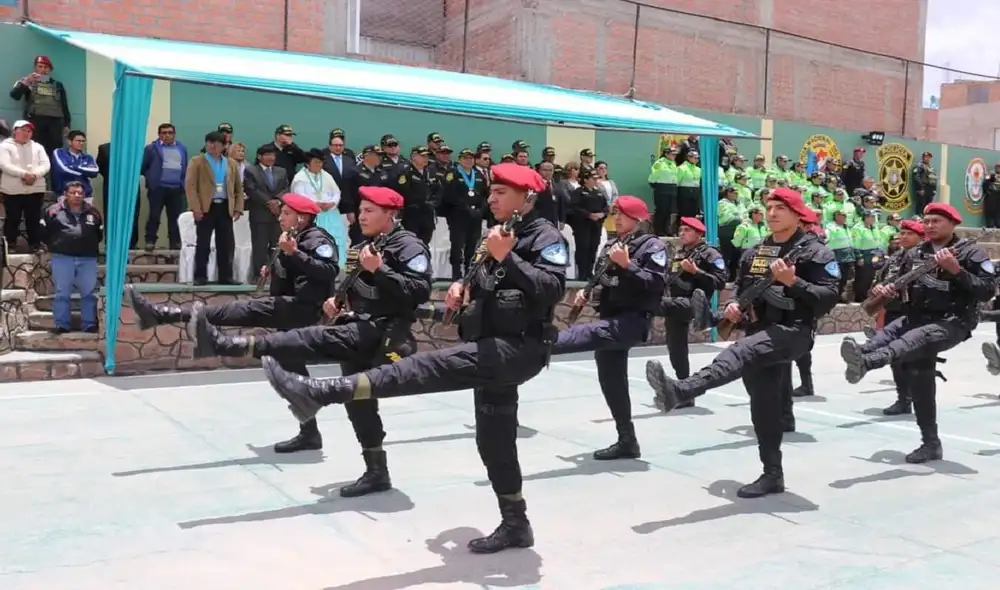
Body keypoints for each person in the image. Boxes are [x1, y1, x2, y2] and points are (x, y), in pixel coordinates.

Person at [261, 163, 565, 553]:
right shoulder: (496, 235)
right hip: (490, 344)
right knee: (494, 441)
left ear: (528, 198)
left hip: (519, 348)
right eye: (491, 192)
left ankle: (320, 392)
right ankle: (516, 523)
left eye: (501, 193)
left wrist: (508, 259)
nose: (491, 199)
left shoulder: (545, 237)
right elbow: (484, 283)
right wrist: (461, 290)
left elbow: (551, 288)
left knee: (427, 367)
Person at [192, 186, 431, 497]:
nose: (361, 215)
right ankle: (376, 472)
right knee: (359, 405)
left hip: (388, 336)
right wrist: (339, 301)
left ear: (391, 215)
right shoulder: (365, 246)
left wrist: (381, 270)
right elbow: (359, 288)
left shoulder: (408, 246)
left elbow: (419, 292)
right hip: (361, 326)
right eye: (360, 210)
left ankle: (231, 345)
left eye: (370, 211)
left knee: (310, 339)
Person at [644, 187, 840, 498]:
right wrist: (735, 305)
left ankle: (683, 389)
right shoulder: (755, 252)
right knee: (763, 406)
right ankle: (772, 474)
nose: (773, 213)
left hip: (794, 332)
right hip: (758, 328)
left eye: (780, 208)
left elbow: (829, 297)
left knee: (739, 352)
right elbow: (742, 288)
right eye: (769, 207)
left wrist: (794, 283)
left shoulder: (814, 252)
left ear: (798, 214)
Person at [126, 194, 339, 452]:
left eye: (286, 213)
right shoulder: (292, 238)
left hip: (301, 309)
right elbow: (293, 274)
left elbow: (328, 271)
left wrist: (294, 254)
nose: (280, 217)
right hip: (289, 309)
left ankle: (164, 314)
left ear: (302, 217)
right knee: (292, 373)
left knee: (237, 310)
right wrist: (274, 269)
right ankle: (310, 433)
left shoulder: (317, 239)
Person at [841, 203, 994, 463]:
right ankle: (930, 444)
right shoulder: (914, 255)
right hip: (915, 317)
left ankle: (868, 362)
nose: (931, 225)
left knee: (913, 339)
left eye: (937, 221)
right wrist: (886, 293)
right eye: (927, 221)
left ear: (953, 224)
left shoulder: (970, 253)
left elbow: (987, 290)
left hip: (953, 322)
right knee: (899, 354)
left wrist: (957, 270)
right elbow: (900, 292)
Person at [552, 196, 666, 459]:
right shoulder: (612, 245)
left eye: (623, 214)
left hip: (632, 319)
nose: (617, 218)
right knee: (611, 381)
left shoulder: (652, 246)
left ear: (637, 219)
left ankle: (546, 343)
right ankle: (627, 439)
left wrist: (628, 265)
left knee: (589, 334)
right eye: (615, 213)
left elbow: (656, 283)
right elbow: (602, 277)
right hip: (610, 317)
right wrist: (587, 292)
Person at [656, 216, 725, 410]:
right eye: (681, 230)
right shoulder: (680, 253)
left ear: (699, 234)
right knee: (675, 347)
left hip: (693, 303)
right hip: (675, 304)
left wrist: (696, 272)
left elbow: (720, 281)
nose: (682, 233)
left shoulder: (710, 253)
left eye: (687, 230)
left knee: (654, 305)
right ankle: (684, 391)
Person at [870, 219, 925, 415]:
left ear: (920, 237)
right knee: (896, 359)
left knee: (909, 357)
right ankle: (903, 399)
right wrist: (877, 288)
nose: (903, 237)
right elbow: (880, 279)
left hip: (911, 312)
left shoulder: (922, 256)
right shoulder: (895, 257)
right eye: (901, 233)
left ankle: (914, 399)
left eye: (909, 234)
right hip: (893, 310)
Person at [40, 181, 102, 333]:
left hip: (87, 258)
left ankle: (89, 324)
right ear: (66, 194)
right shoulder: (53, 211)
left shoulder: (93, 212)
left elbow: (99, 235)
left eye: (80, 193)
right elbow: (43, 232)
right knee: (62, 293)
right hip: (62, 257)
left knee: (89, 293)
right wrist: (55, 245)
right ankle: (62, 324)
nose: (77, 196)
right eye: (73, 192)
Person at [185, 131, 244, 285]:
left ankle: (225, 276)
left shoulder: (230, 163)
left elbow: (238, 188)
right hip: (206, 207)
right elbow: (190, 187)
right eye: (209, 142)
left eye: (216, 143)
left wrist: (238, 208)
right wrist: (195, 208)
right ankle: (200, 276)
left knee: (225, 244)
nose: (212, 145)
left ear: (224, 146)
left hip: (225, 206)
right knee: (203, 242)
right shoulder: (197, 161)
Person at [291, 148, 348, 265]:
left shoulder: (327, 176)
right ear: (308, 163)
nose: (318, 165)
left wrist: (332, 203)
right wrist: (315, 204)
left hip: (330, 214)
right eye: (316, 162)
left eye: (320, 162)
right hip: (313, 215)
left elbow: (336, 192)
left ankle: (337, 265)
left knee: (336, 240)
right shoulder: (300, 177)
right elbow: (299, 195)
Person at [0, 120, 50, 253]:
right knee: (13, 218)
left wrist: (34, 175)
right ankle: (10, 245)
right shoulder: (5, 146)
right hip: (12, 190)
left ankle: (35, 244)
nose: (26, 133)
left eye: (29, 131)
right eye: (23, 130)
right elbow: (4, 165)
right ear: (15, 131)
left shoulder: (38, 147)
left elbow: (45, 164)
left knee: (33, 218)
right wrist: (24, 174)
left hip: (35, 189)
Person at [244, 144, 290, 281]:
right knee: (260, 247)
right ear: (259, 156)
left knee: (277, 246)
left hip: (277, 216)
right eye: (268, 155)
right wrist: (269, 202)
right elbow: (251, 189)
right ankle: (259, 276)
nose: (271, 158)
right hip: (260, 215)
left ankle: (277, 276)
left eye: (273, 155)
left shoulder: (281, 171)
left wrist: (277, 201)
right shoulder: (251, 170)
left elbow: (286, 188)